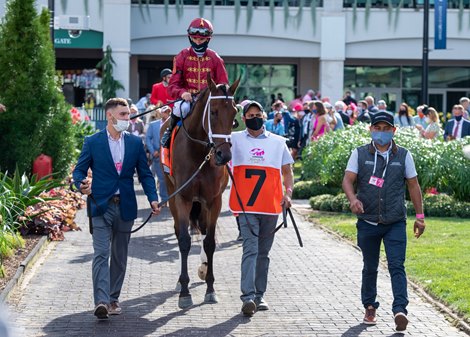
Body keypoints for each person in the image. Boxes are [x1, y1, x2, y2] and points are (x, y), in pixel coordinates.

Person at [72, 98, 161, 320]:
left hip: (126, 206)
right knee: (101, 253)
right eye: (123, 115)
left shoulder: (134, 143)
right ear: (110, 116)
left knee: (120, 256)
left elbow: (145, 174)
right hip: (100, 205)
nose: (127, 118)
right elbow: (79, 171)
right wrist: (81, 184)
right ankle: (101, 301)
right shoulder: (92, 142)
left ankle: (113, 299)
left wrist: (153, 198)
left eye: (128, 114)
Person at [342, 110, 426, 332]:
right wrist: (353, 199)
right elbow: (348, 180)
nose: (381, 133)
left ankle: (400, 310)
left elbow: (413, 185)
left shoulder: (404, 155)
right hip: (367, 222)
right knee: (370, 266)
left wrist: (420, 217)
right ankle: (370, 306)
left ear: (393, 130)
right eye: (377, 128)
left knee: (397, 266)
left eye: (386, 129)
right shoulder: (359, 154)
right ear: (371, 129)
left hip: (395, 222)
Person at [229, 100, 294, 317]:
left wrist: (288, 193)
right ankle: (247, 297)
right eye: (250, 115)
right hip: (246, 207)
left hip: (270, 206)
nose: (254, 117)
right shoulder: (234, 140)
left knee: (263, 253)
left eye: (258, 114)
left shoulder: (278, 142)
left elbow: (287, 171)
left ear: (264, 116)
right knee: (251, 249)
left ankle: (259, 295)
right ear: (243, 118)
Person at [161, 17, 228, 149]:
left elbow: (223, 83)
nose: (198, 42)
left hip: (209, 100)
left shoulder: (215, 58)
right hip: (188, 100)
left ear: (208, 39)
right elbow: (172, 85)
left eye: (201, 39)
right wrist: (182, 93)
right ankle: (169, 131)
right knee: (181, 108)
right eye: (195, 39)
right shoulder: (182, 56)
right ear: (190, 38)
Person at [145, 107, 169, 206]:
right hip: (157, 156)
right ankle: (164, 199)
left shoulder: (175, 123)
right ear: (161, 113)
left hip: (170, 155)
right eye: (164, 112)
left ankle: (171, 198)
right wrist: (152, 151)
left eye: (168, 112)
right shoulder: (153, 125)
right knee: (162, 178)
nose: (166, 114)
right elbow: (147, 138)